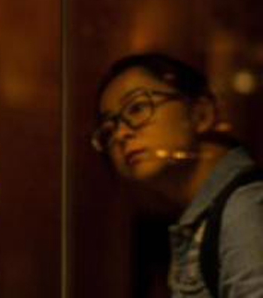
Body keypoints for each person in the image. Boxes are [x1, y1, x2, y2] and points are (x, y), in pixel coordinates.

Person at [91, 53, 263, 297]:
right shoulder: (206, 217)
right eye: (109, 129)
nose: (120, 135)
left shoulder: (244, 207)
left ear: (201, 114)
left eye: (137, 108)